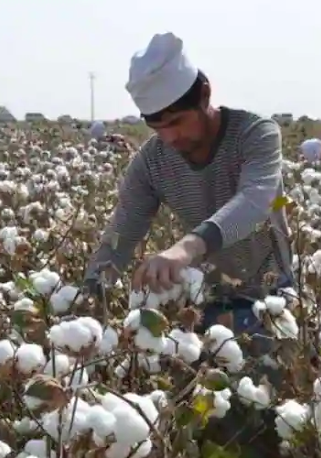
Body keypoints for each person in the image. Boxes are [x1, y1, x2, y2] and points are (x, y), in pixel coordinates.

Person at [84, 32, 291, 454]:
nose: (171, 138)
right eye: (159, 128)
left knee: (262, 423)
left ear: (205, 95)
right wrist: (89, 294)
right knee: (198, 421)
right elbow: (122, 232)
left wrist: (185, 249)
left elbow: (255, 201)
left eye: (177, 123)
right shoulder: (152, 161)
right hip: (204, 304)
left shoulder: (255, 134)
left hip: (270, 298)